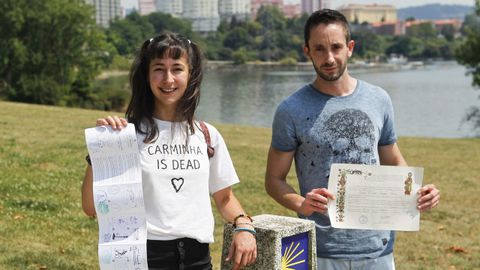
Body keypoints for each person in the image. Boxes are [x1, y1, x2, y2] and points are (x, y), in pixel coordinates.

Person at [265, 9, 440, 270]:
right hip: (318, 248)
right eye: (319, 49)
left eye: (336, 47)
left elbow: (393, 159)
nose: (329, 58)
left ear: (350, 48)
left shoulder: (379, 99)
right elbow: (273, 180)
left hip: (377, 247)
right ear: (307, 52)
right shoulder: (290, 109)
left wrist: (418, 192)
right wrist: (302, 203)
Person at [82, 32, 256, 270]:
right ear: (147, 74)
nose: (168, 79)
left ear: (191, 73)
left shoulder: (207, 135)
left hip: (198, 260)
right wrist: (101, 152)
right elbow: (91, 208)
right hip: (145, 258)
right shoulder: (126, 136)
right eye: (159, 69)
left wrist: (244, 225)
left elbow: (225, 198)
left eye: (177, 68)